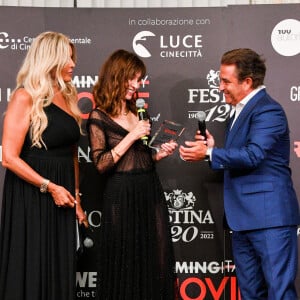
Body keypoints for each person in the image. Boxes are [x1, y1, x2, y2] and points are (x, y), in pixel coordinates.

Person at [179, 48, 300, 299]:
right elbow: (240, 157)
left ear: (247, 82)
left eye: (226, 81)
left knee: (279, 292)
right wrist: (213, 150)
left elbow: (253, 155)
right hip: (242, 219)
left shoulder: (268, 110)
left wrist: (210, 154)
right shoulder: (236, 111)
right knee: (250, 294)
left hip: (269, 219)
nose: (220, 87)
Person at [0, 31, 88, 300]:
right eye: (67, 58)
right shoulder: (25, 97)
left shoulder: (67, 95)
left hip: (62, 197)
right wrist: (49, 187)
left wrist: (76, 200)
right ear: (50, 60)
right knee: (33, 263)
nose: (73, 64)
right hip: (32, 195)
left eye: (73, 58)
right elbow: (8, 157)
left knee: (59, 266)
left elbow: (72, 154)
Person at [87, 49, 179, 299]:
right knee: (123, 259)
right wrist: (132, 135)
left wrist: (158, 155)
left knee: (156, 256)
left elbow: (141, 155)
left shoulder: (139, 112)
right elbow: (101, 164)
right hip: (121, 194)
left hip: (149, 190)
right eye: (134, 79)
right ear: (118, 76)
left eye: (140, 80)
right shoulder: (98, 116)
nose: (137, 85)